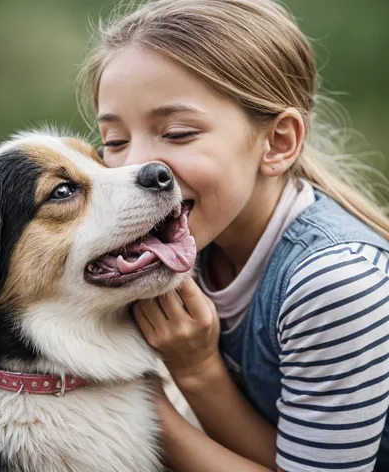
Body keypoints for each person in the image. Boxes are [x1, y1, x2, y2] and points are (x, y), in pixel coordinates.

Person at [78, 0, 389, 470]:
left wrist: (168, 386)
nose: (134, 167)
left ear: (279, 142)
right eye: (116, 141)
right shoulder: (172, 243)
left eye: (178, 133)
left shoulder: (335, 282)